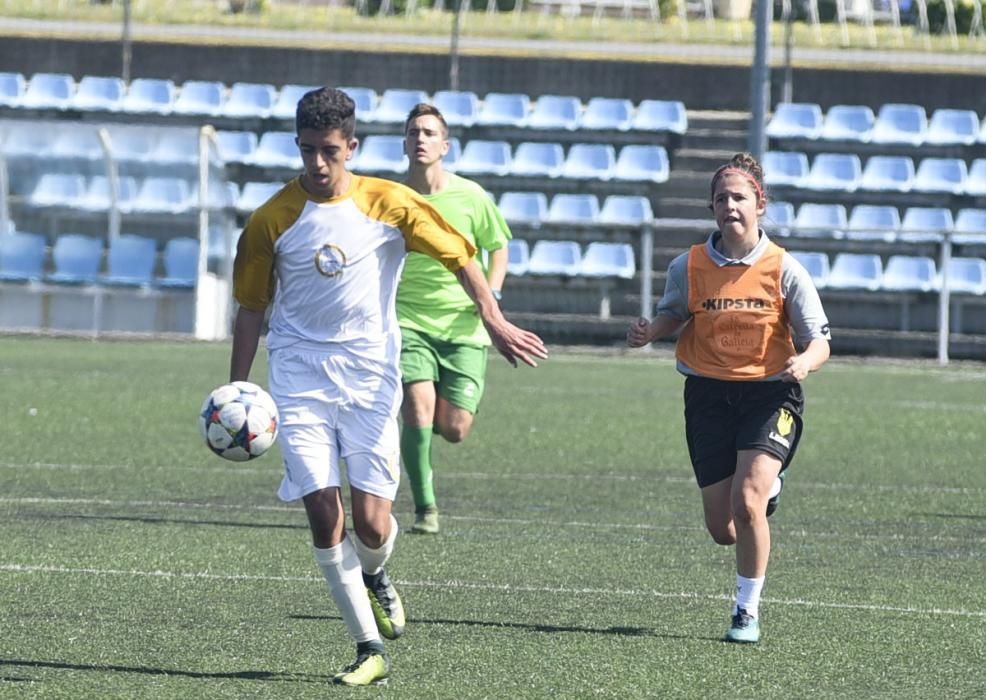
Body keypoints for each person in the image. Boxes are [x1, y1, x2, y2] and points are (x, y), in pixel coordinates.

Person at [229, 87, 547, 686]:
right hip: (298, 376)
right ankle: (367, 647)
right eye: (306, 151)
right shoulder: (271, 219)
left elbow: (460, 254)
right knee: (324, 509)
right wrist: (236, 392)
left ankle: (376, 574)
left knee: (372, 525)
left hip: (371, 374)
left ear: (351, 147)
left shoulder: (390, 203)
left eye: (328, 151)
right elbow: (250, 308)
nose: (317, 165)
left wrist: (494, 319)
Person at [626, 152, 830, 645]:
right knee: (723, 528)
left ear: (759, 204)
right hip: (708, 396)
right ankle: (764, 495)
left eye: (739, 197)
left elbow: (820, 338)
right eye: (721, 199)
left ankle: (746, 610)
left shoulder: (785, 268)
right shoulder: (689, 264)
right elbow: (676, 311)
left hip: (770, 396)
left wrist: (804, 362)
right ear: (712, 208)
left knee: (747, 501)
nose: (729, 206)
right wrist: (654, 329)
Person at [396, 103, 512, 535]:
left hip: (464, 326)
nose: (420, 139)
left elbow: (498, 245)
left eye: (428, 133)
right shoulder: (390, 198)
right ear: (404, 144)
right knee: (417, 408)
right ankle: (426, 508)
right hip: (407, 319)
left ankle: (423, 438)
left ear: (444, 146)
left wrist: (491, 295)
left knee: (455, 426)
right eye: (413, 133)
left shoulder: (471, 196)